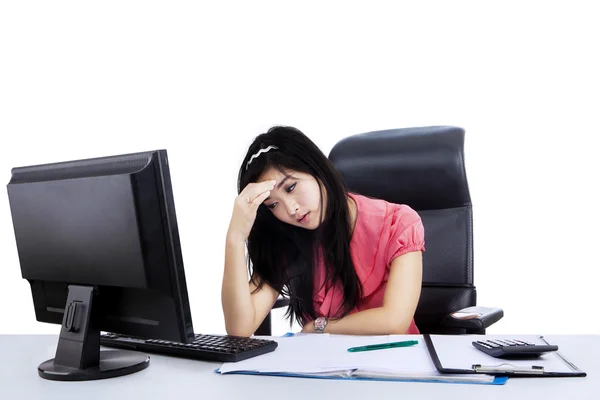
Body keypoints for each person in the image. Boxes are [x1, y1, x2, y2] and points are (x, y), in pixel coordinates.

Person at [221, 126, 425, 337]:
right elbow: (240, 329)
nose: (291, 209)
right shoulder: (287, 239)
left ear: (316, 168)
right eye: (273, 205)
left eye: (291, 188)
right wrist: (235, 238)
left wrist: (319, 326)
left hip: (393, 362)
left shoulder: (399, 223)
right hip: (322, 366)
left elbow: (394, 321)